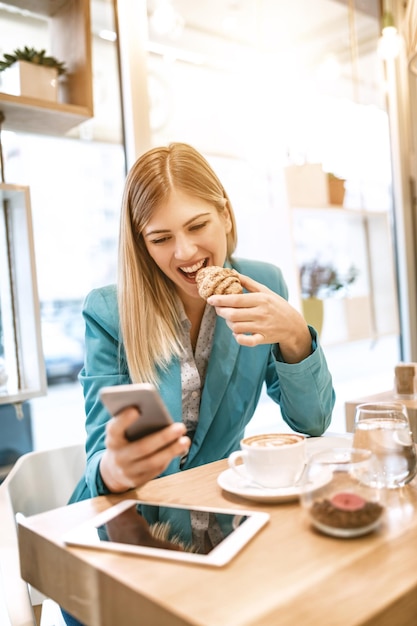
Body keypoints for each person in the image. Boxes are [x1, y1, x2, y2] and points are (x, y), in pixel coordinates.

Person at [61, 142, 335, 624]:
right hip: (132, 535)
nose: (185, 252)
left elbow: (311, 422)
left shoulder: (261, 283)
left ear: (225, 215)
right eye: (160, 237)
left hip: (232, 530)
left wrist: (294, 332)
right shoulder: (108, 310)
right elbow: (97, 465)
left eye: (197, 225)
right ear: (140, 243)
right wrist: (118, 468)